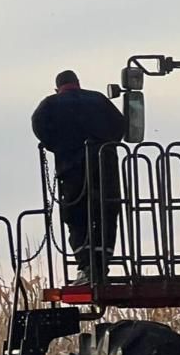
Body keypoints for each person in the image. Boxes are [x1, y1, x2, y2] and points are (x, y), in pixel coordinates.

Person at [31, 69, 125, 284]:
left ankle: (86, 265)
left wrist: (58, 146)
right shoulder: (99, 100)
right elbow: (120, 125)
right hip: (106, 168)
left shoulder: (49, 104)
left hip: (71, 169)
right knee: (107, 212)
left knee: (76, 216)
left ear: (57, 88)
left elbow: (39, 127)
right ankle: (102, 263)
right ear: (78, 83)